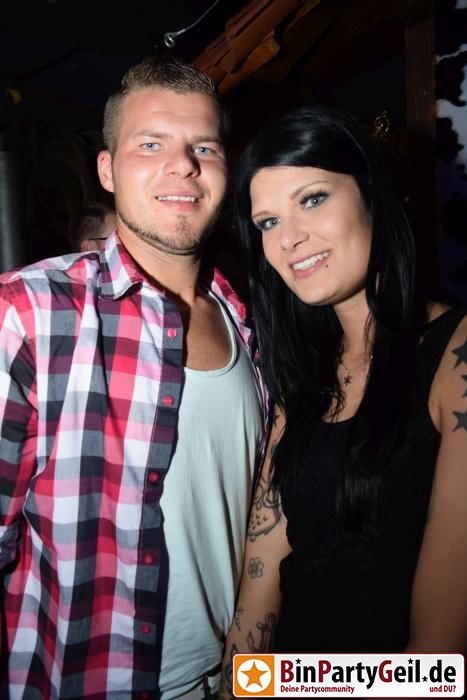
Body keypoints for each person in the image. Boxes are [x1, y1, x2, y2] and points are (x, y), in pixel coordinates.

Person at [0, 56, 269, 699]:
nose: (183, 165)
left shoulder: (253, 323)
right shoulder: (29, 312)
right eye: (151, 144)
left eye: (204, 147)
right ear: (107, 170)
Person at [219, 103, 467, 693]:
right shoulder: (301, 381)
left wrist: (277, 685)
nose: (289, 239)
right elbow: (259, 592)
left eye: (312, 199)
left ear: (374, 194)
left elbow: (439, 663)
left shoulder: (455, 356)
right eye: (267, 222)